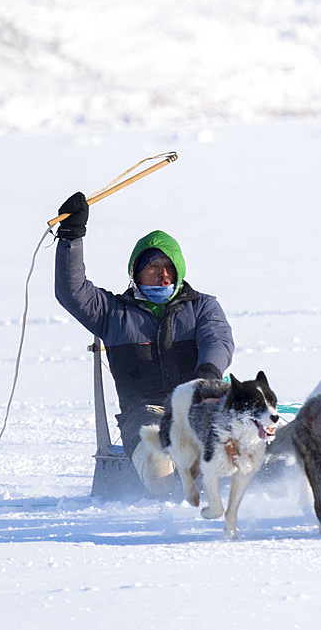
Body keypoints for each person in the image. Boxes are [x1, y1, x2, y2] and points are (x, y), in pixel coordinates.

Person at [54, 192, 235, 496]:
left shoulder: (203, 307)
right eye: (153, 266)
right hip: (144, 413)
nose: (163, 275)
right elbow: (71, 292)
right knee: (156, 461)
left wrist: (208, 376)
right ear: (135, 273)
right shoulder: (112, 313)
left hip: (201, 405)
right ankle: (168, 516)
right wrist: (72, 237)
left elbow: (217, 339)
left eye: (169, 266)